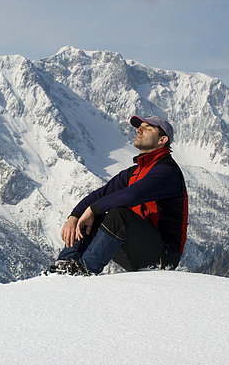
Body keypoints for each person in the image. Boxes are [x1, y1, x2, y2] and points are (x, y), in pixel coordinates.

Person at [47, 115, 188, 276]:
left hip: (163, 257)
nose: (138, 129)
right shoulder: (134, 172)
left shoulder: (167, 172)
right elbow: (100, 194)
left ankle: (84, 270)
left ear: (162, 140)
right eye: (139, 127)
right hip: (139, 247)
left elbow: (132, 195)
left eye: (148, 128)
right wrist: (75, 216)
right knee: (95, 219)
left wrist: (92, 210)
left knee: (117, 215)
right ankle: (65, 264)